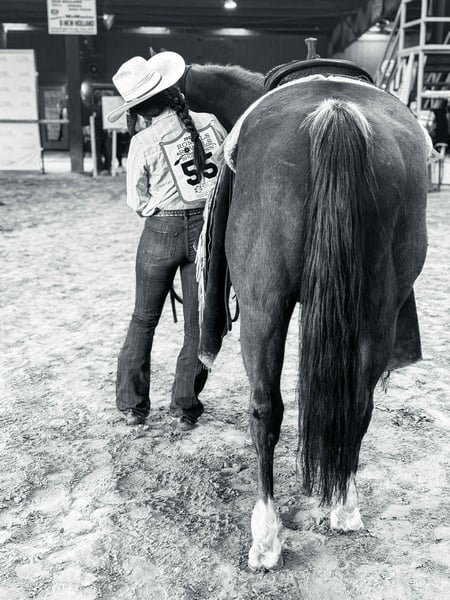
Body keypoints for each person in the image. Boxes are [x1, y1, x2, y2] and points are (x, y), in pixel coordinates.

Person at [108, 52, 227, 430]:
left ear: (140, 108)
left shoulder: (143, 140)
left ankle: (133, 406)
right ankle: (185, 406)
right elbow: (228, 173)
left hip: (161, 231)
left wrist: (159, 206)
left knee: (143, 318)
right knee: (197, 327)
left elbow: (137, 202)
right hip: (206, 233)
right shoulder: (210, 123)